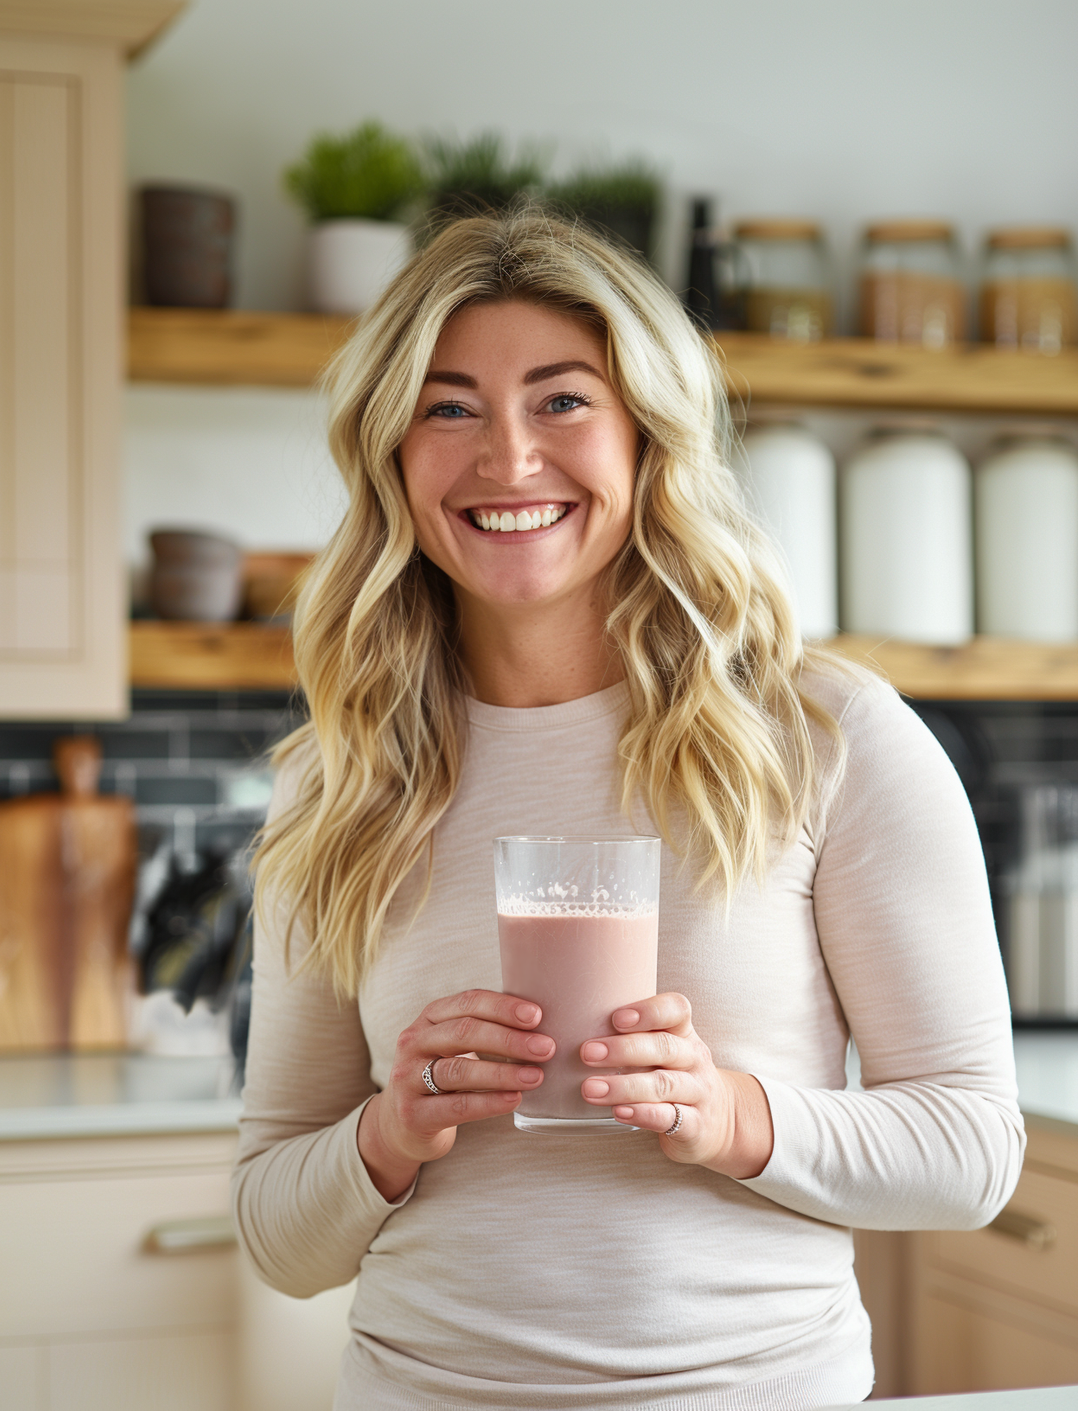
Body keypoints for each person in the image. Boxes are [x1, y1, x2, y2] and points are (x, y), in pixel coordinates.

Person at [233, 208, 1024, 1410]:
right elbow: (277, 1238)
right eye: (448, 408)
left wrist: (731, 1117)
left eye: (562, 401)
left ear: (649, 436)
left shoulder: (827, 739)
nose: (506, 459)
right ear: (392, 451)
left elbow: (972, 1156)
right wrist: (387, 1133)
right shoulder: (338, 781)